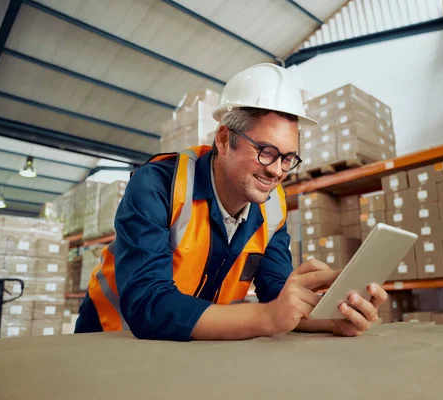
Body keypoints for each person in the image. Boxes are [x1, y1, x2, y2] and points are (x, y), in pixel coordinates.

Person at [75, 63, 388, 341]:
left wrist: (329, 319)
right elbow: (148, 305)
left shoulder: (273, 206)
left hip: (186, 349)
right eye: (266, 151)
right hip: (109, 341)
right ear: (224, 139)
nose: (277, 170)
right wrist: (266, 317)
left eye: (288, 158)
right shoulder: (158, 186)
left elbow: (276, 291)